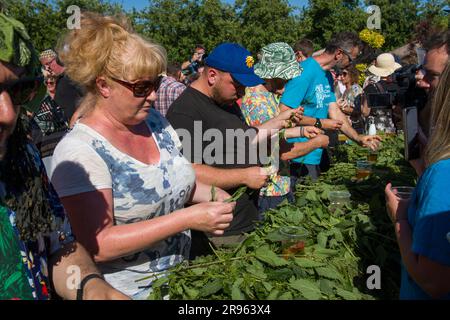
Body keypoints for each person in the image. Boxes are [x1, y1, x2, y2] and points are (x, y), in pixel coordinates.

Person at [50, 13, 235, 300]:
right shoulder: (80, 150)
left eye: (155, 85)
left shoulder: (156, 123)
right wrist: (186, 219)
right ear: (104, 85)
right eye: (141, 87)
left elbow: (174, 182)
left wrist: (215, 195)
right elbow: (99, 242)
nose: (151, 96)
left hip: (181, 285)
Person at [0, 12, 127, 300]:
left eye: (18, 90)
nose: (7, 113)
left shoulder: (23, 159)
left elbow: (58, 246)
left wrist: (92, 290)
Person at [167, 43, 302, 243]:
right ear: (212, 75)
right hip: (220, 231)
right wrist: (244, 176)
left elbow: (244, 138)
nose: (242, 92)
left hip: (246, 219)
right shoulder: (186, 111)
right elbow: (189, 171)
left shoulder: (226, 102)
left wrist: (278, 121)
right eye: (237, 84)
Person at [384, 61, 450, 300]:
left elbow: (433, 281)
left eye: (433, 77)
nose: (422, 82)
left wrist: (400, 218)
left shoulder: (443, 173)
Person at [279, 32, 381, 182]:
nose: (350, 65)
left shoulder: (326, 76)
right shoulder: (304, 72)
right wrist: (319, 123)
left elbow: (334, 110)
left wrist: (357, 137)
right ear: (339, 54)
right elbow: (283, 114)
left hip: (315, 153)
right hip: (296, 155)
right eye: (350, 60)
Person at [240, 42, 327, 213]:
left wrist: (301, 130)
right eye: (286, 77)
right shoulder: (257, 103)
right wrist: (316, 143)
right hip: (268, 189)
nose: (288, 83)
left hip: (280, 184)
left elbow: (275, 132)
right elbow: (279, 149)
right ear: (273, 75)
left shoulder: (268, 96)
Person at [39, 48, 84, 127]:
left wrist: (76, 116)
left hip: (82, 123)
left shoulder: (72, 75)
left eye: (48, 64)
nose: (47, 68)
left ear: (57, 60)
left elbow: (90, 97)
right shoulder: (60, 80)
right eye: (44, 66)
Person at [361, 53, 402, 134]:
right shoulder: (399, 87)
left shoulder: (371, 88)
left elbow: (365, 112)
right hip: (393, 129)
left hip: (375, 130)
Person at [338, 66, 365, 134]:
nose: (341, 76)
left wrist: (339, 108)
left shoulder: (356, 89)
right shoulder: (347, 90)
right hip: (347, 126)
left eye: (344, 74)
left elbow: (358, 110)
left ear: (351, 75)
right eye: (340, 74)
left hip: (355, 127)